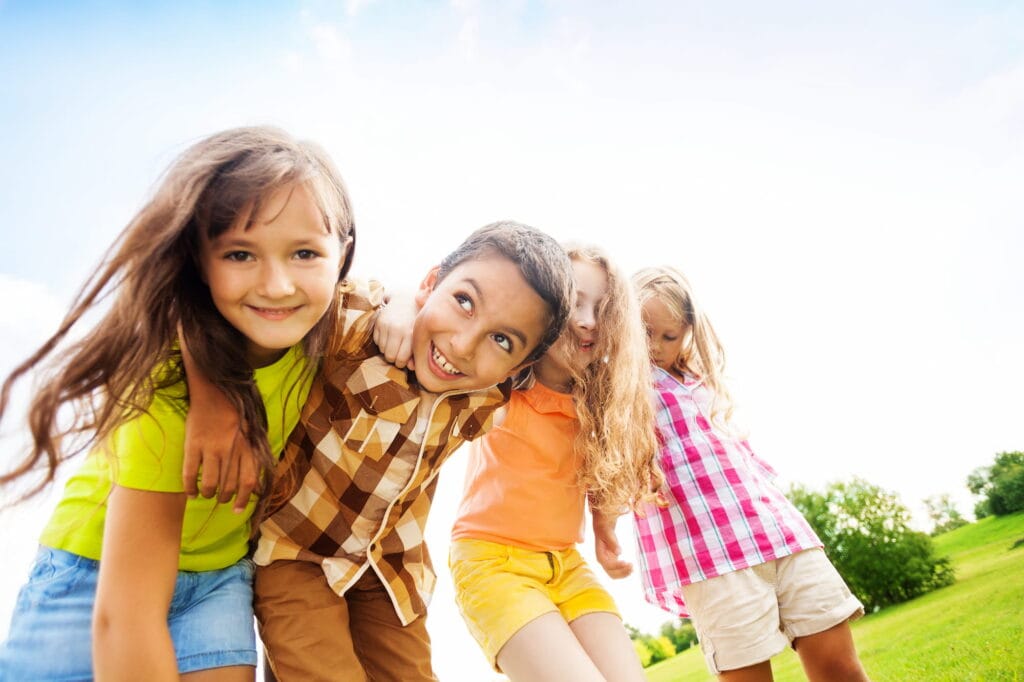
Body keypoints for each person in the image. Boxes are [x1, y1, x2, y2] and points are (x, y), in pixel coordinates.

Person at [0, 126, 356, 680]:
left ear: (344, 253)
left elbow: (397, 301)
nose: (278, 284)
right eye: (240, 253)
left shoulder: (334, 328)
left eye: (305, 252)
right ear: (198, 262)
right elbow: (128, 617)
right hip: (96, 578)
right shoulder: (161, 390)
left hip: (217, 577)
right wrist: (209, 393)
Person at [184, 220, 575, 681]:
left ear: (520, 366)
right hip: (296, 553)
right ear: (431, 283)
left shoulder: (486, 399)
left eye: (502, 340)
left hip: (389, 568)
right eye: (464, 302)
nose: (464, 345)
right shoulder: (360, 328)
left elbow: (583, 366)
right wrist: (403, 299)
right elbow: (331, 288)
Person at [375, 243, 660, 681]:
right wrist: (396, 302)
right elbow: (430, 312)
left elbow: (598, 475)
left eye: (603, 309)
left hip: (566, 565)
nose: (588, 320)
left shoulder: (598, 406)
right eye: (576, 303)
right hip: (493, 565)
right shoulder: (498, 387)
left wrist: (604, 532)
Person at [631, 265, 870, 682]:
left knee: (841, 668)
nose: (656, 346)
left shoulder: (701, 379)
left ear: (688, 332)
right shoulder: (625, 387)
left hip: (779, 534)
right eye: (644, 332)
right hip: (711, 556)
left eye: (669, 336)